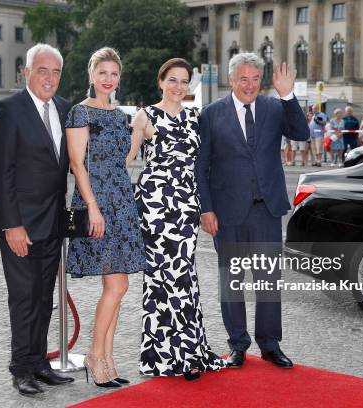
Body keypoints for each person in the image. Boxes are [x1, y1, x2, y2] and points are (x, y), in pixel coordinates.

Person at [196, 53, 310, 370]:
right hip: (227, 213)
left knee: (268, 282)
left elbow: (302, 133)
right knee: (232, 282)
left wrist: (288, 95)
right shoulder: (211, 114)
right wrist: (206, 209)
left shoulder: (275, 108)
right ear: (231, 80)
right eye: (243, 79)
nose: (250, 85)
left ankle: (270, 345)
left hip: (267, 211)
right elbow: (200, 167)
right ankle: (237, 345)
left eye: (256, 79)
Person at [0, 43, 75, 396]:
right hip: (19, 224)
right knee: (24, 297)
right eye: (42, 70)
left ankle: (39, 362)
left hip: (51, 222)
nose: (49, 78)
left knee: (43, 297)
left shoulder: (66, 109)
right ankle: (21, 368)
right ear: (26, 72)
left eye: (55, 72)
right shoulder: (9, 110)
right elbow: (0, 170)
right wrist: (12, 225)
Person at [130, 58, 225, 381]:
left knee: (183, 276)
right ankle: (161, 356)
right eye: (173, 80)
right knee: (159, 278)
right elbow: (126, 158)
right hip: (155, 207)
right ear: (161, 82)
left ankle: (189, 352)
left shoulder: (195, 117)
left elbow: (203, 164)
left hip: (185, 206)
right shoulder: (146, 115)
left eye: (184, 81)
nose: (178, 87)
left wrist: (205, 204)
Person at [65, 47, 146, 388]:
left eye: (114, 74)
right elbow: (77, 163)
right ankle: (95, 357)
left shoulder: (117, 114)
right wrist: (93, 208)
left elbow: (123, 160)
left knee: (118, 286)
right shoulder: (80, 113)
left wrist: (138, 132)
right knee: (118, 284)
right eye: (103, 73)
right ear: (91, 75)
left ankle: (107, 359)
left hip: (123, 203)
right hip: (96, 203)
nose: (108, 79)